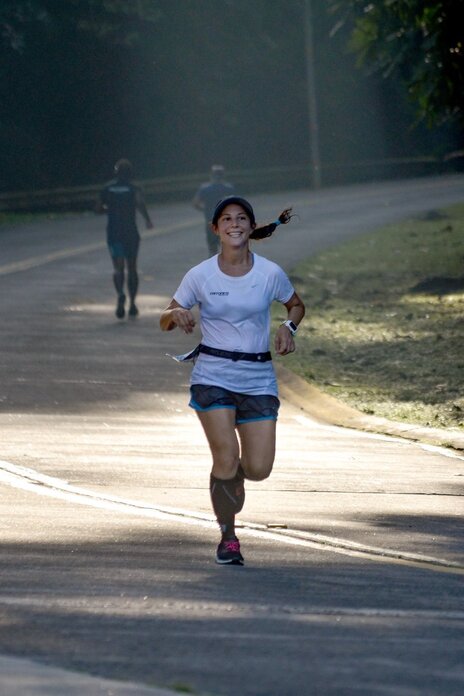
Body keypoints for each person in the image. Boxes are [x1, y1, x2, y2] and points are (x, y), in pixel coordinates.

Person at [160, 196, 305, 565]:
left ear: (253, 226)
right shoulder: (201, 274)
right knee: (225, 456)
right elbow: (165, 316)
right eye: (226, 219)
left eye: (242, 218)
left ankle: (231, 478)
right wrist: (176, 313)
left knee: (258, 469)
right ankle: (228, 537)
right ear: (216, 229)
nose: (234, 224)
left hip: (258, 378)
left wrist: (289, 326)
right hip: (213, 374)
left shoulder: (269, 273)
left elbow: (296, 304)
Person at [97, 159, 153, 319]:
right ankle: (133, 304)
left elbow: (98, 208)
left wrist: (110, 208)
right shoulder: (135, 188)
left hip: (114, 232)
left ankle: (120, 293)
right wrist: (148, 220)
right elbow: (140, 204)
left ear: (116, 172)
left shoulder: (108, 188)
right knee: (132, 267)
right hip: (131, 232)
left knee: (118, 267)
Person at [192, 164, 235, 256]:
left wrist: (204, 210)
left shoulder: (204, 188)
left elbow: (195, 203)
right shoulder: (229, 188)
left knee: (212, 249)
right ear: (223, 175)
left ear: (211, 175)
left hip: (210, 221)